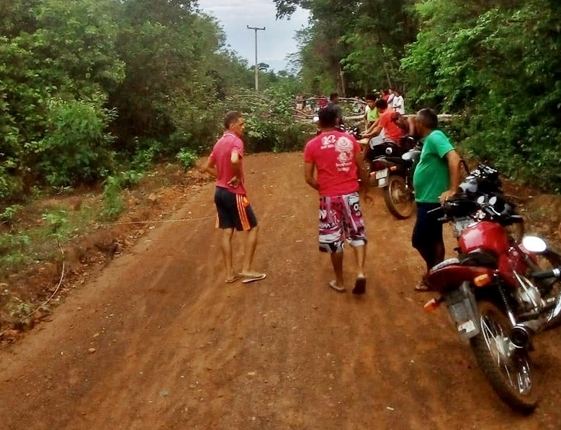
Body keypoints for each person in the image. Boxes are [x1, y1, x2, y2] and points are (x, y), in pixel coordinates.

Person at [303, 105, 374, 295]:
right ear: (336, 121)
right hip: (350, 194)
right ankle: (360, 272)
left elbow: (308, 178)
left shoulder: (312, 145)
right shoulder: (350, 140)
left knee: (334, 240)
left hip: (328, 197)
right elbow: (362, 168)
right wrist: (366, 190)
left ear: (319, 122)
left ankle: (340, 281)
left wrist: (323, 188)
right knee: (357, 233)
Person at [203, 111, 266, 285]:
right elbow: (234, 160)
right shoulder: (236, 142)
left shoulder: (218, 143)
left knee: (227, 231)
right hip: (234, 193)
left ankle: (230, 274)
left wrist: (221, 177)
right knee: (253, 228)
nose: (244, 127)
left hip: (219, 193)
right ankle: (247, 268)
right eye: (242, 124)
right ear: (232, 125)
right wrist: (237, 177)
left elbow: (206, 167)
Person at [411, 108, 462, 292]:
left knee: (419, 240)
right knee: (434, 238)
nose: (413, 124)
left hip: (432, 200)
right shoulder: (428, 140)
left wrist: (453, 189)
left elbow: (454, 159)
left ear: (421, 123)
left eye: (415, 121)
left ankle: (434, 273)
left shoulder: (435, 137)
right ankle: (437, 274)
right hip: (427, 198)